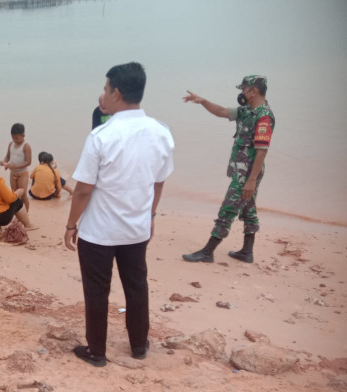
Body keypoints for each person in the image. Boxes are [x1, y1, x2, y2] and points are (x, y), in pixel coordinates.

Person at [64, 62, 174, 367]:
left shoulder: (102, 136)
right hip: (137, 228)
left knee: (97, 291)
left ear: (117, 93)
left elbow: (83, 189)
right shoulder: (161, 132)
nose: (103, 93)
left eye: (105, 88)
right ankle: (139, 344)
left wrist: (71, 224)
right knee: (137, 286)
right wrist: (150, 215)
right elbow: (158, 181)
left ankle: (96, 351)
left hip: (99, 231)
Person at [181, 75, 275, 264]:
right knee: (248, 208)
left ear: (253, 91)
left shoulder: (263, 116)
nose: (241, 92)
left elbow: (262, 151)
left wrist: (251, 179)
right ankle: (247, 252)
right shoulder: (248, 110)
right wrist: (203, 102)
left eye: (244, 89)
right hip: (243, 170)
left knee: (228, 208)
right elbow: (221, 111)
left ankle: (208, 251)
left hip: (248, 172)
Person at [0, 123, 32, 212]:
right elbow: (7, 156)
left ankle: (26, 215)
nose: (15, 140)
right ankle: (17, 215)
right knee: (14, 195)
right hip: (13, 173)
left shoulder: (26, 146)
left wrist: (16, 166)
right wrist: (4, 162)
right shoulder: (11, 144)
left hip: (23, 174)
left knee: (23, 195)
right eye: (13, 138)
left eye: (17, 138)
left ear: (23, 136)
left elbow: (28, 162)